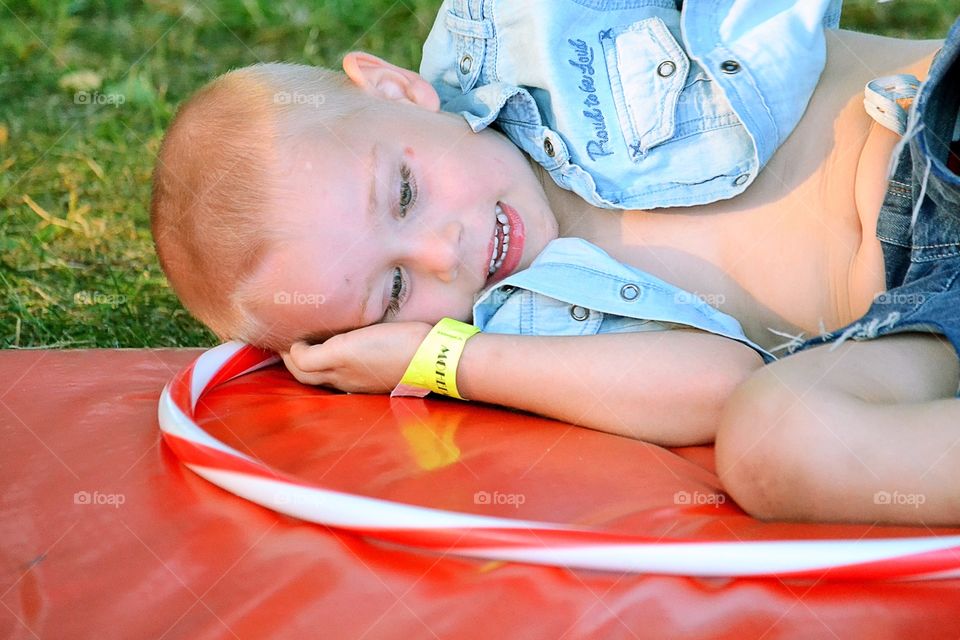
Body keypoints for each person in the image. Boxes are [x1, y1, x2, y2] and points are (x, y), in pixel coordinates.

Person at [150, 9, 960, 525]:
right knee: (769, 444)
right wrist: (448, 360)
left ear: (397, 91)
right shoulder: (517, 324)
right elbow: (721, 384)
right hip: (926, 320)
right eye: (395, 289)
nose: (446, 249)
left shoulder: (516, 38)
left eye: (403, 193)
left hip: (934, 126)